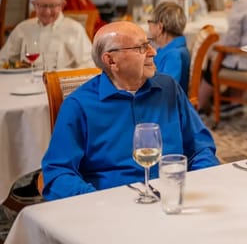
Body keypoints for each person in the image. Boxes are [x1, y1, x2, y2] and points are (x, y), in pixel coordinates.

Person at [41, 21, 219, 200]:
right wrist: (97, 202)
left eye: (149, 43)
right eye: (141, 48)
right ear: (111, 60)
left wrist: (200, 184)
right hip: (112, 207)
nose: (153, 52)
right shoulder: (79, 105)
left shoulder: (168, 88)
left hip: (174, 197)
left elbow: (201, 148)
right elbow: (58, 174)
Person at [0, 0, 94, 69]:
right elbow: (3, 59)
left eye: (53, 6)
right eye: (43, 6)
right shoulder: (23, 28)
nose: (47, 12)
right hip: (24, 83)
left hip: (59, 83)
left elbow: (90, 64)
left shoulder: (74, 29)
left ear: (62, 5)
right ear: (34, 4)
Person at [149, 1, 190, 92]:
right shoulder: (168, 49)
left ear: (160, 27)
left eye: (150, 22)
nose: (149, 26)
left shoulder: (173, 55)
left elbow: (166, 90)